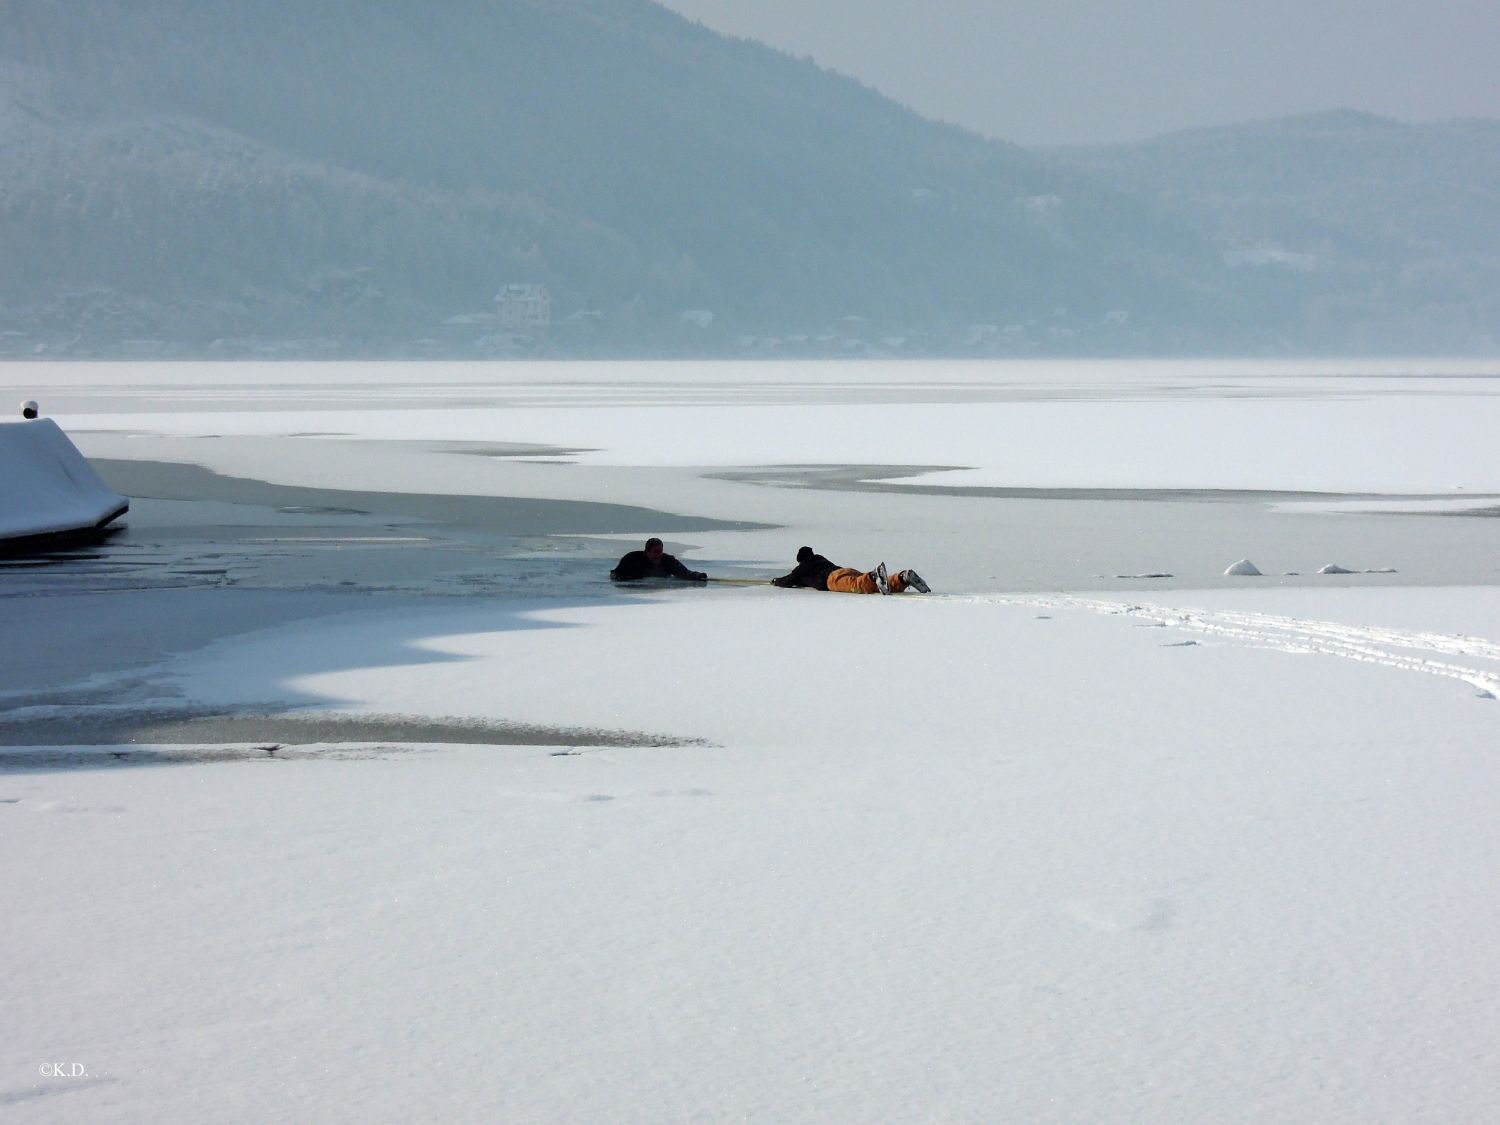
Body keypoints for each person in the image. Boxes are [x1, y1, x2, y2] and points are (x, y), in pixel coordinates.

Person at [771, 546, 930, 594]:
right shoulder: (819, 558)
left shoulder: (804, 566)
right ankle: (902, 578)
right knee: (874, 587)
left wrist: (775, 582)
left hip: (832, 580)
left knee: (860, 586)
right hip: (844, 570)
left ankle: (874, 575)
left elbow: (788, 580)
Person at [610, 537, 707, 582]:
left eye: (660, 551)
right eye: (656, 552)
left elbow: (684, 573)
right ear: (647, 551)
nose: (659, 555)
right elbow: (615, 574)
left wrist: (697, 576)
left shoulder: (667, 560)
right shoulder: (632, 558)